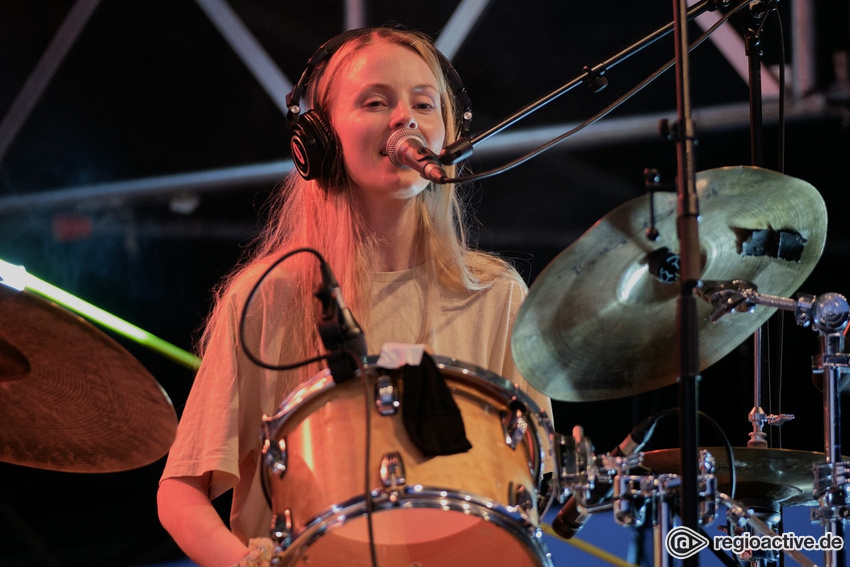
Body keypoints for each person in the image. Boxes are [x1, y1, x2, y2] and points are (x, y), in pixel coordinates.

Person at [157, 25, 552, 567]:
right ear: (317, 139)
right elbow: (180, 492)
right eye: (375, 101)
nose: (405, 119)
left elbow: (534, 484)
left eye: (424, 103)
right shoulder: (267, 296)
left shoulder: (496, 295)